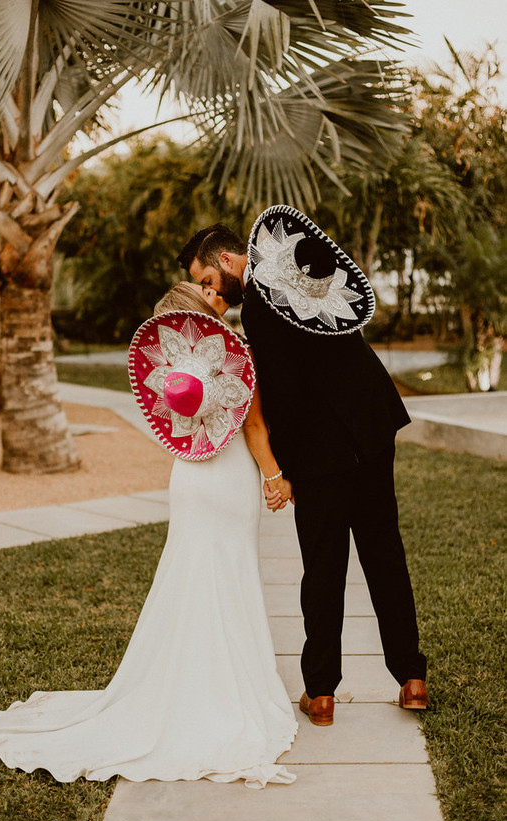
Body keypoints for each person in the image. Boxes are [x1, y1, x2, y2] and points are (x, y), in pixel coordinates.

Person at [0, 281, 298, 789]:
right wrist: (275, 478)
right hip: (230, 478)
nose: (215, 292)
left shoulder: (171, 370)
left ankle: (181, 684)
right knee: (230, 575)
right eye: (207, 292)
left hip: (190, 477)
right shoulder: (234, 357)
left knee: (187, 576)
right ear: (203, 313)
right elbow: (254, 427)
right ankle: (226, 690)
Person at [177, 208, 429, 727]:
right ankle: (412, 679)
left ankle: (321, 693)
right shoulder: (299, 265)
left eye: (209, 281)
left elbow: (285, 395)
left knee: (323, 566)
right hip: (370, 426)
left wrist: (281, 469)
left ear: (226, 259)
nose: (213, 293)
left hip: (319, 451)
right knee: (384, 551)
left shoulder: (258, 308)